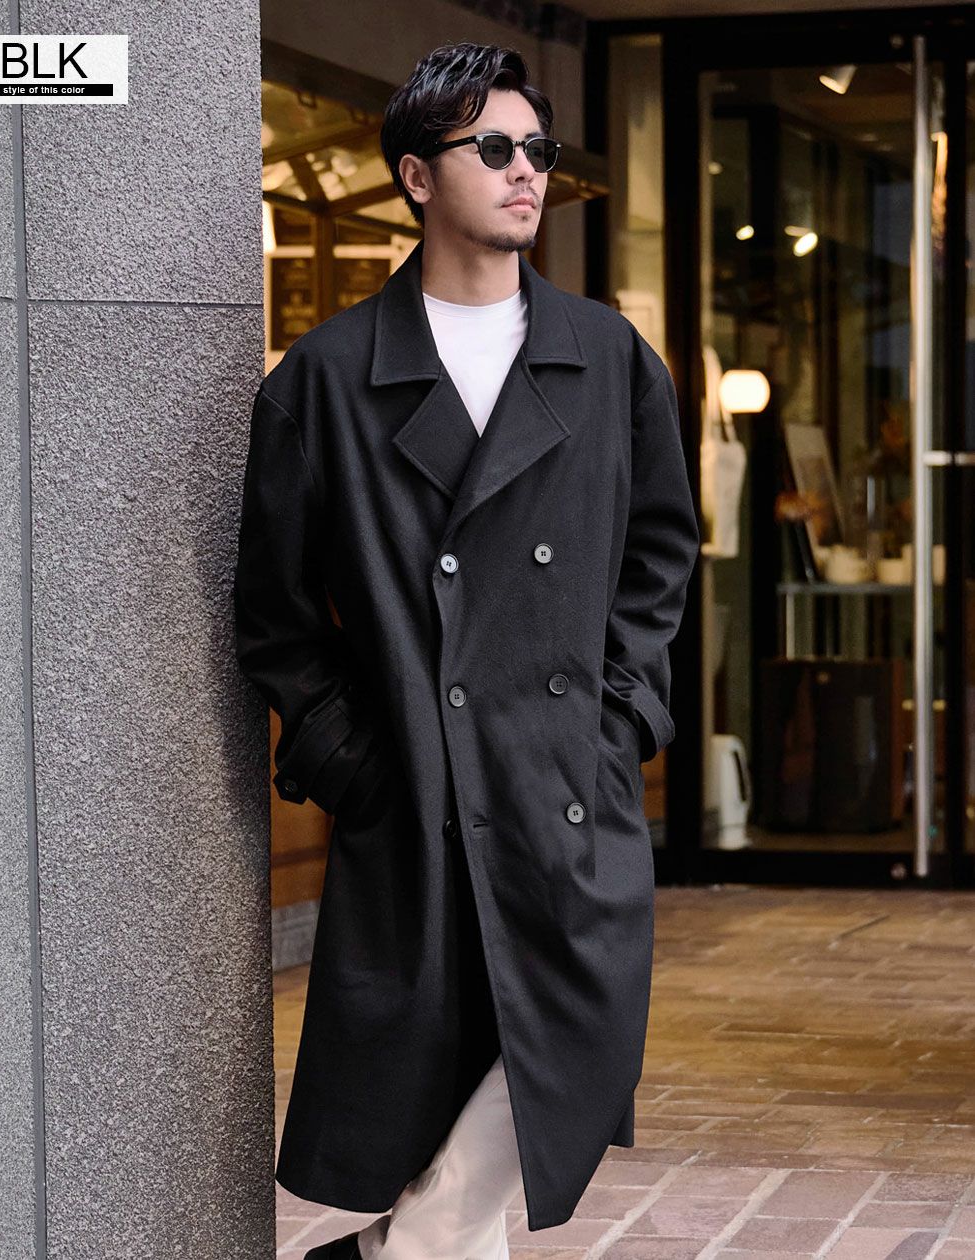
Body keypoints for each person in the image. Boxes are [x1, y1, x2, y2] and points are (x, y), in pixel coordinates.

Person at [234, 39, 699, 1260]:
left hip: (567, 777)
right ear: (415, 177)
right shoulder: (329, 379)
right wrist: (356, 765)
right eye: (493, 148)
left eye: (538, 148)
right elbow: (276, 616)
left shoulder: (608, 359)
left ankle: (393, 1250)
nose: (526, 170)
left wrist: (619, 721)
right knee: (447, 1074)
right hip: (422, 792)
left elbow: (660, 560)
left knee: (585, 1030)